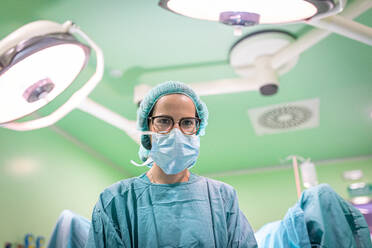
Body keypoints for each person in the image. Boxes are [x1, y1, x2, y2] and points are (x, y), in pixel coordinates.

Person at [85, 81, 257, 248]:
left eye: (187, 122)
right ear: (148, 127)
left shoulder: (222, 198)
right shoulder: (116, 201)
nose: (176, 131)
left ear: (198, 128)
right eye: (164, 121)